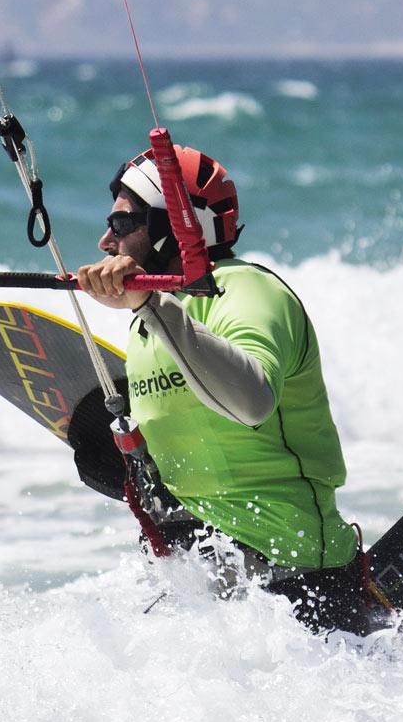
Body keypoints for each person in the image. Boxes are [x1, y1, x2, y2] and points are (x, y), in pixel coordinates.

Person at [77, 144, 386, 636]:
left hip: (304, 589)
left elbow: (252, 400)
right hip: (208, 595)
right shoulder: (150, 322)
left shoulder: (247, 292)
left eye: (121, 225)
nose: (103, 241)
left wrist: (149, 303)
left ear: (176, 225)